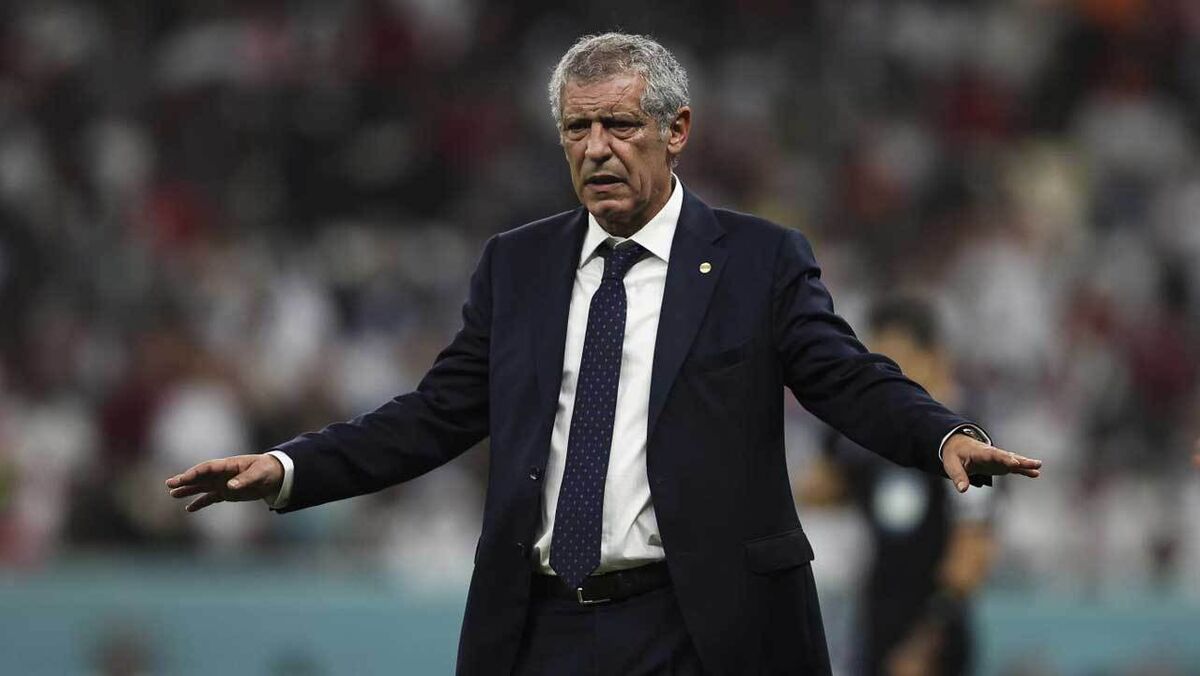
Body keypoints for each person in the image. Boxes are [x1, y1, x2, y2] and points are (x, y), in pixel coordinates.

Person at [164, 33, 1042, 676]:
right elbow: (433, 416)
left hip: (700, 624)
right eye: (576, 128)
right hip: (541, 626)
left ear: (677, 129)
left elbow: (843, 376)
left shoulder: (757, 260)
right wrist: (289, 467)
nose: (595, 149)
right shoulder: (517, 266)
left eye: (619, 125)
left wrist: (940, 435)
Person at [800, 297, 996, 676]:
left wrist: (924, 643)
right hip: (874, 623)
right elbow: (815, 490)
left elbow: (972, 552)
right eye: (877, 362)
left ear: (935, 358)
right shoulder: (865, 432)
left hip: (929, 637)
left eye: (897, 360)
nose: (885, 375)